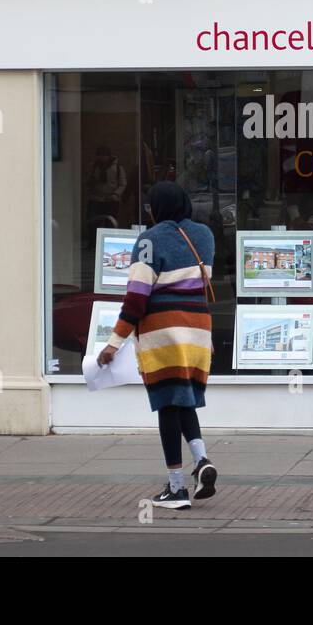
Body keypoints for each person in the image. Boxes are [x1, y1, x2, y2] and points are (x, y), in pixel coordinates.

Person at [97, 181, 218, 510]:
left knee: (167, 405)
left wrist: (113, 343)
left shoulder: (148, 240)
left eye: (150, 206)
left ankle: (177, 489)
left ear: (157, 207)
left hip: (163, 334)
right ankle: (202, 460)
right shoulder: (205, 236)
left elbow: (136, 299)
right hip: (198, 332)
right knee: (185, 400)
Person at [86, 145, 128, 228]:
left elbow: (122, 184)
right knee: (94, 223)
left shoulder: (117, 168)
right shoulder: (93, 167)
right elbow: (87, 181)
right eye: (100, 155)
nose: (102, 158)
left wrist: (115, 194)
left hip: (111, 200)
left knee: (110, 224)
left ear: (109, 156)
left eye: (104, 155)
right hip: (96, 199)